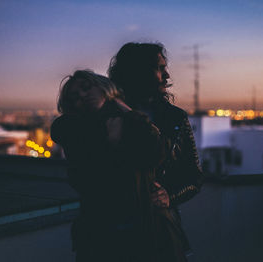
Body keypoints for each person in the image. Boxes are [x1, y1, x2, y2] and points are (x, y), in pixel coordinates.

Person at [51, 70, 185, 261]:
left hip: (145, 231)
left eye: (86, 88)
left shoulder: (129, 122)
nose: (82, 95)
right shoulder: (71, 128)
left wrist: (125, 111)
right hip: (101, 234)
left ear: (103, 86)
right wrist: (111, 142)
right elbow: (86, 180)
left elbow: (158, 152)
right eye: (75, 97)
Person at [108, 42, 204, 257]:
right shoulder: (108, 114)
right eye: (159, 68)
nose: (167, 75)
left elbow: (194, 176)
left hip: (160, 231)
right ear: (138, 72)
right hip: (111, 231)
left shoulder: (174, 118)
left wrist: (169, 195)